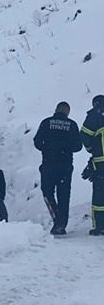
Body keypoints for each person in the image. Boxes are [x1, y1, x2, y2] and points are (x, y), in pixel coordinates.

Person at [33, 101, 83, 235]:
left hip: (48, 164)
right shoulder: (72, 125)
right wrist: (66, 147)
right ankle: (62, 224)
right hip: (65, 166)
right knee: (64, 195)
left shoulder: (46, 122)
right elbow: (78, 146)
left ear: (56, 109)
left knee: (47, 192)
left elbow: (37, 142)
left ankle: (58, 220)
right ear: (67, 112)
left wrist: (48, 147)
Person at [80, 94, 104, 236]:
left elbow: (84, 136)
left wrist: (92, 150)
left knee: (100, 196)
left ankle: (100, 226)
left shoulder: (94, 115)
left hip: (101, 163)